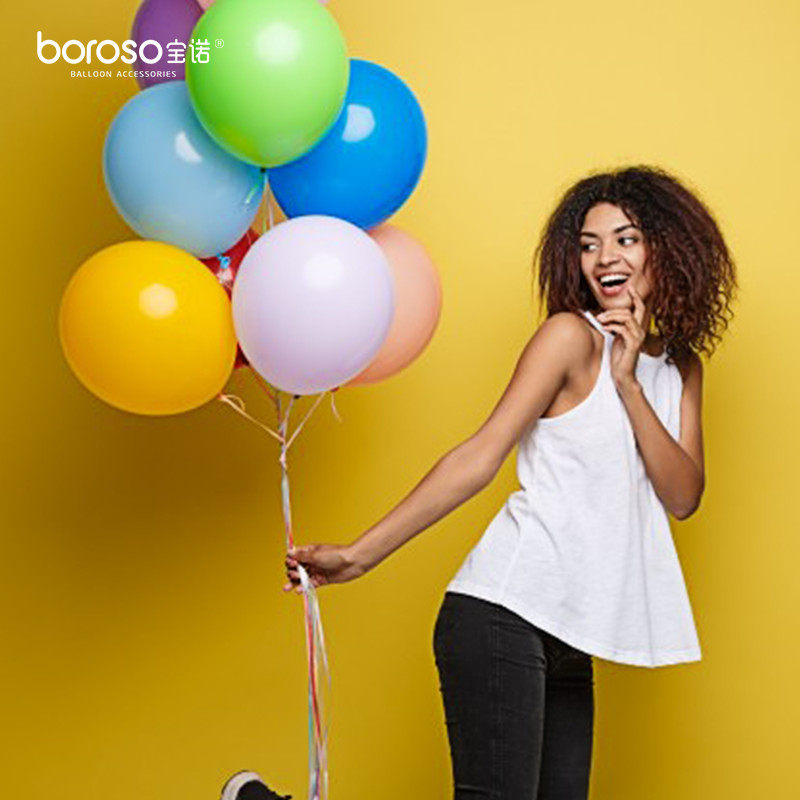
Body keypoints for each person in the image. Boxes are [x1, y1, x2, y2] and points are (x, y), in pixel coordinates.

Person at [282, 165, 737, 799]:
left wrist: (628, 383)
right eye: (588, 244)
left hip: (573, 638)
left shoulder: (680, 367)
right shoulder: (569, 338)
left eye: (626, 239)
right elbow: (480, 456)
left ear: (668, 249)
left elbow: (683, 497)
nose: (605, 257)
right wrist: (360, 555)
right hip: (504, 612)